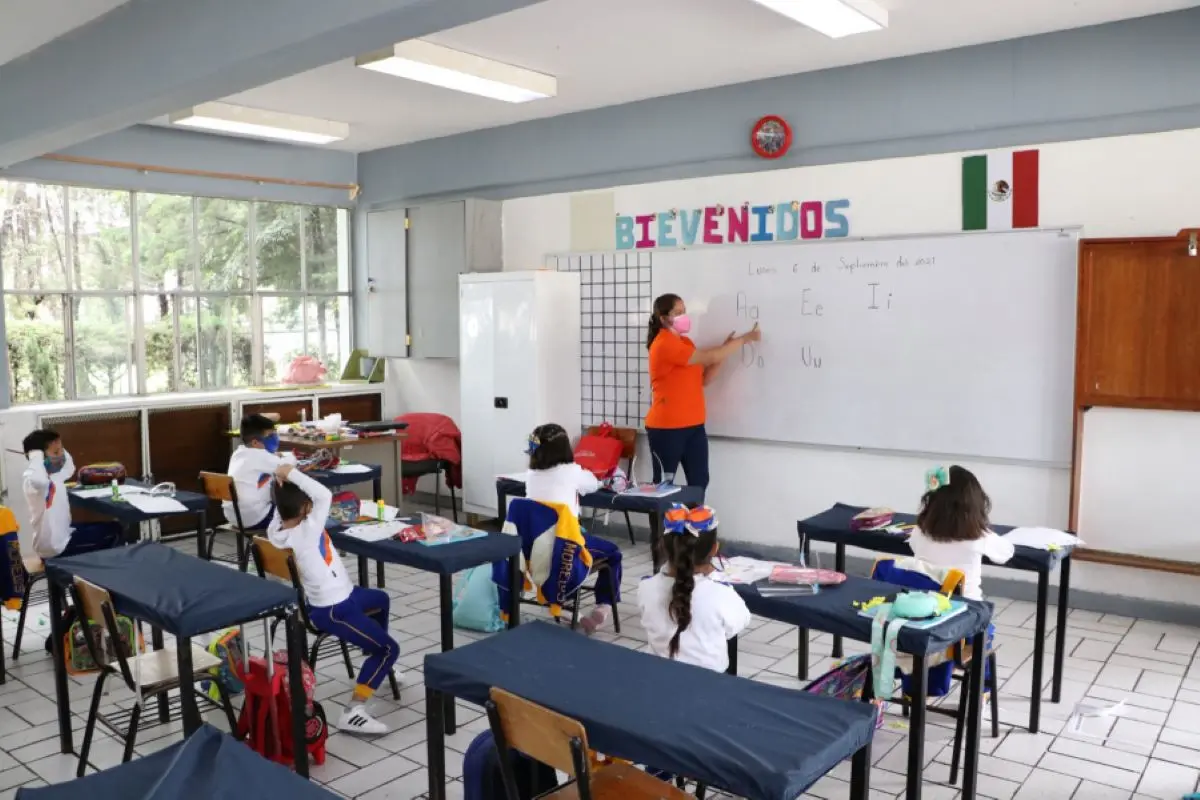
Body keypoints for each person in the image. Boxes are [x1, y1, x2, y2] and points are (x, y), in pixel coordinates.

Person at [268, 463, 399, 736]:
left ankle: (375, 666)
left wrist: (281, 482)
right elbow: (324, 495)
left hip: (338, 598)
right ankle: (354, 711)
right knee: (389, 649)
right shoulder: (307, 531)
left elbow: (287, 504)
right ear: (305, 508)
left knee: (380, 599)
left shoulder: (277, 530)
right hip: (334, 609)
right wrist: (290, 473)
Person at [644, 293, 761, 499]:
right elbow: (710, 356)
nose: (684, 316)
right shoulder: (664, 344)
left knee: (699, 482)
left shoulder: (685, 343)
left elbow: (704, 379)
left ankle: (692, 529)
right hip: (667, 429)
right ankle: (662, 531)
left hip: (694, 427)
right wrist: (744, 339)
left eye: (684, 311)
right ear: (663, 319)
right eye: (677, 313)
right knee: (663, 487)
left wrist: (725, 351)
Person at [523, 423, 622, 635]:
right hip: (567, 545)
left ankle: (563, 604)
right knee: (613, 553)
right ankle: (603, 605)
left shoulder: (531, 474)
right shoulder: (572, 472)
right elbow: (594, 484)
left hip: (533, 547)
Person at [637, 504, 750, 672]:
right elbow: (738, 625)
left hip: (657, 678)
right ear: (714, 549)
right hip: (708, 685)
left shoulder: (645, 587)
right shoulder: (721, 594)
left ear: (663, 546)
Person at [909, 465, 1014, 601]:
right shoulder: (981, 537)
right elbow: (1006, 553)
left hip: (927, 606)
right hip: (967, 610)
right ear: (975, 504)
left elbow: (913, 546)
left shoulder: (919, 531)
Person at [22, 430, 121, 559]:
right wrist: (35, 455)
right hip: (55, 548)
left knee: (113, 526)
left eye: (61, 450)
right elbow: (39, 481)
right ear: (40, 457)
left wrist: (59, 447)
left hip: (65, 534)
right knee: (115, 533)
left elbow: (70, 468)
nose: (61, 456)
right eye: (56, 453)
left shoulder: (55, 475)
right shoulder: (31, 481)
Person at [227, 414, 295, 530]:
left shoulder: (238, 453)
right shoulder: (261, 456)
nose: (274, 438)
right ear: (254, 442)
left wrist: (275, 456)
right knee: (298, 511)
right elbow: (289, 466)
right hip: (255, 518)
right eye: (269, 435)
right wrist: (291, 456)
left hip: (233, 516)